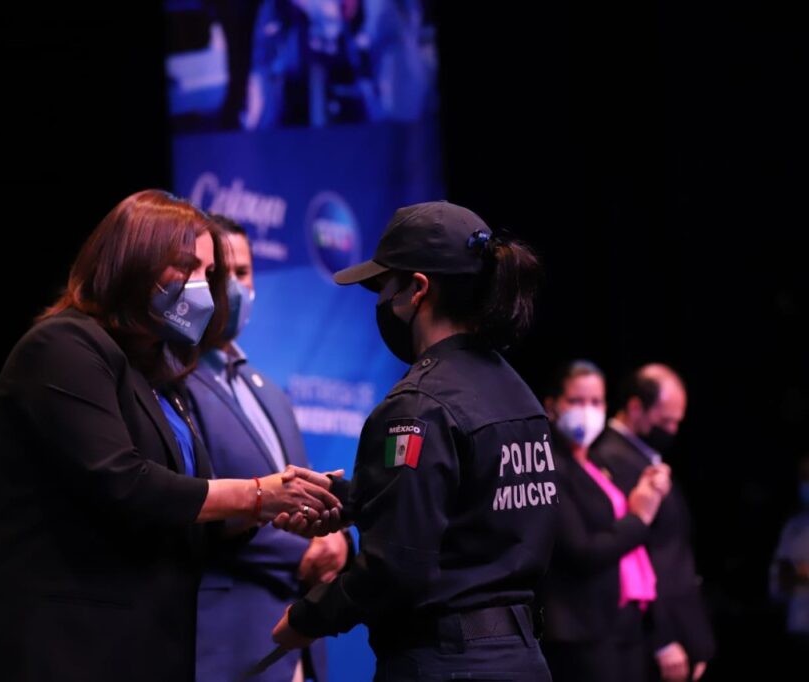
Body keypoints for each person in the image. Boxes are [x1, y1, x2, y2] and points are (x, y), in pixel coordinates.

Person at [0, 189, 341, 682]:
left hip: (144, 650)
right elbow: (124, 483)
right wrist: (257, 494)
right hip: (64, 650)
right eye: (186, 266)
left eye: (209, 272)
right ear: (131, 260)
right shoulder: (62, 347)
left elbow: (190, 518)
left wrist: (278, 509)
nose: (202, 286)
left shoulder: (157, 376)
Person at [271, 200, 560, 680]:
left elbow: (394, 569)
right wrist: (355, 499)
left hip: (445, 663)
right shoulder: (519, 394)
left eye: (385, 286)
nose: (382, 302)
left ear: (418, 289)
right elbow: (473, 509)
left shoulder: (419, 404)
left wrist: (307, 618)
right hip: (522, 659)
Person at [187, 215, 350, 682]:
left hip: (297, 644)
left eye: (244, 273)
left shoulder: (271, 392)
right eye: (221, 274)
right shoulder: (174, 383)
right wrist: (303, 551)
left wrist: (338, 537)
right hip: (229, 640)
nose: (234, 287)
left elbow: (306, 493)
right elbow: (192, 504)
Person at [537, 359, 671, 682]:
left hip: (619, 622)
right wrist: (639, 517)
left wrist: (648, 487)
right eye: (576, 401)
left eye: (596, 402)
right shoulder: (550, 465)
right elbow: (582, 550)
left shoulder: (597, 464)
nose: (587, 411)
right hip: (581, 627)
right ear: (551, 405)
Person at [590, 363, 715, 682]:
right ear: (636, 408)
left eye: (677, 422)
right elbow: (633, 552)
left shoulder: (644, 455)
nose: (672, 430)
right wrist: (662, 637)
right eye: (665, 421)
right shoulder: (609, 458)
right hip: (651, 633)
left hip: (680, 622)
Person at [768, 451, 809, 665]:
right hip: (798, 626)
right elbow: (781, 576)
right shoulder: (794, 526)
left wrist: (800, 573)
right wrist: (796, 574)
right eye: (804, 477)